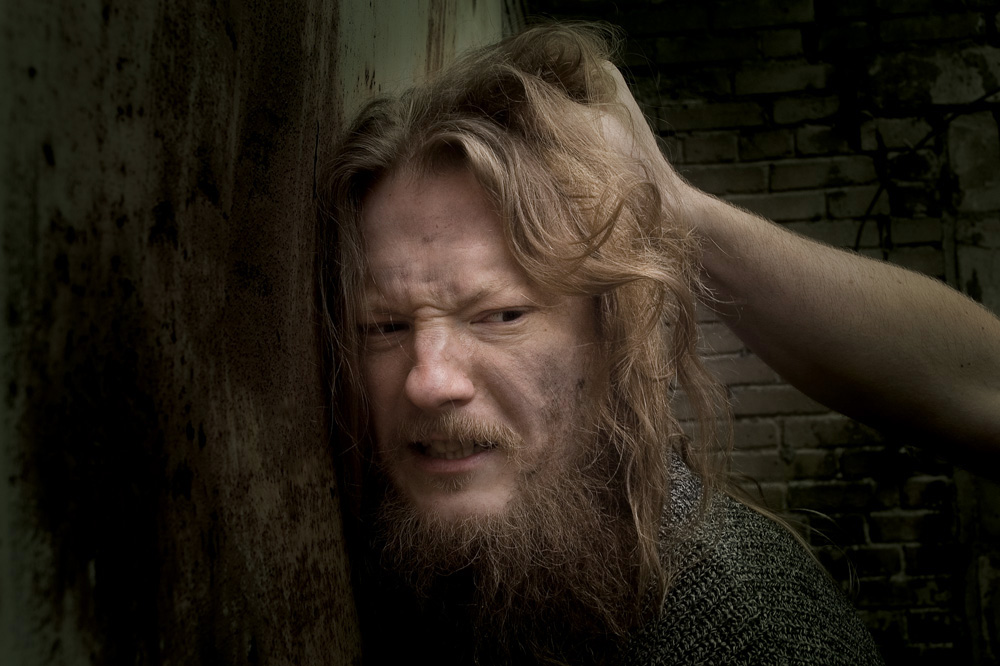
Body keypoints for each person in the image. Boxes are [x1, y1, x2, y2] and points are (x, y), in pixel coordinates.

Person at [320, 24, 1000, 665]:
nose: (429, 381)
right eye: (384, 327)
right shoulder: (383, 557)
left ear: (609, 340)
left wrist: (668, 200)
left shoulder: (746, 630)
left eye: (500, 315)